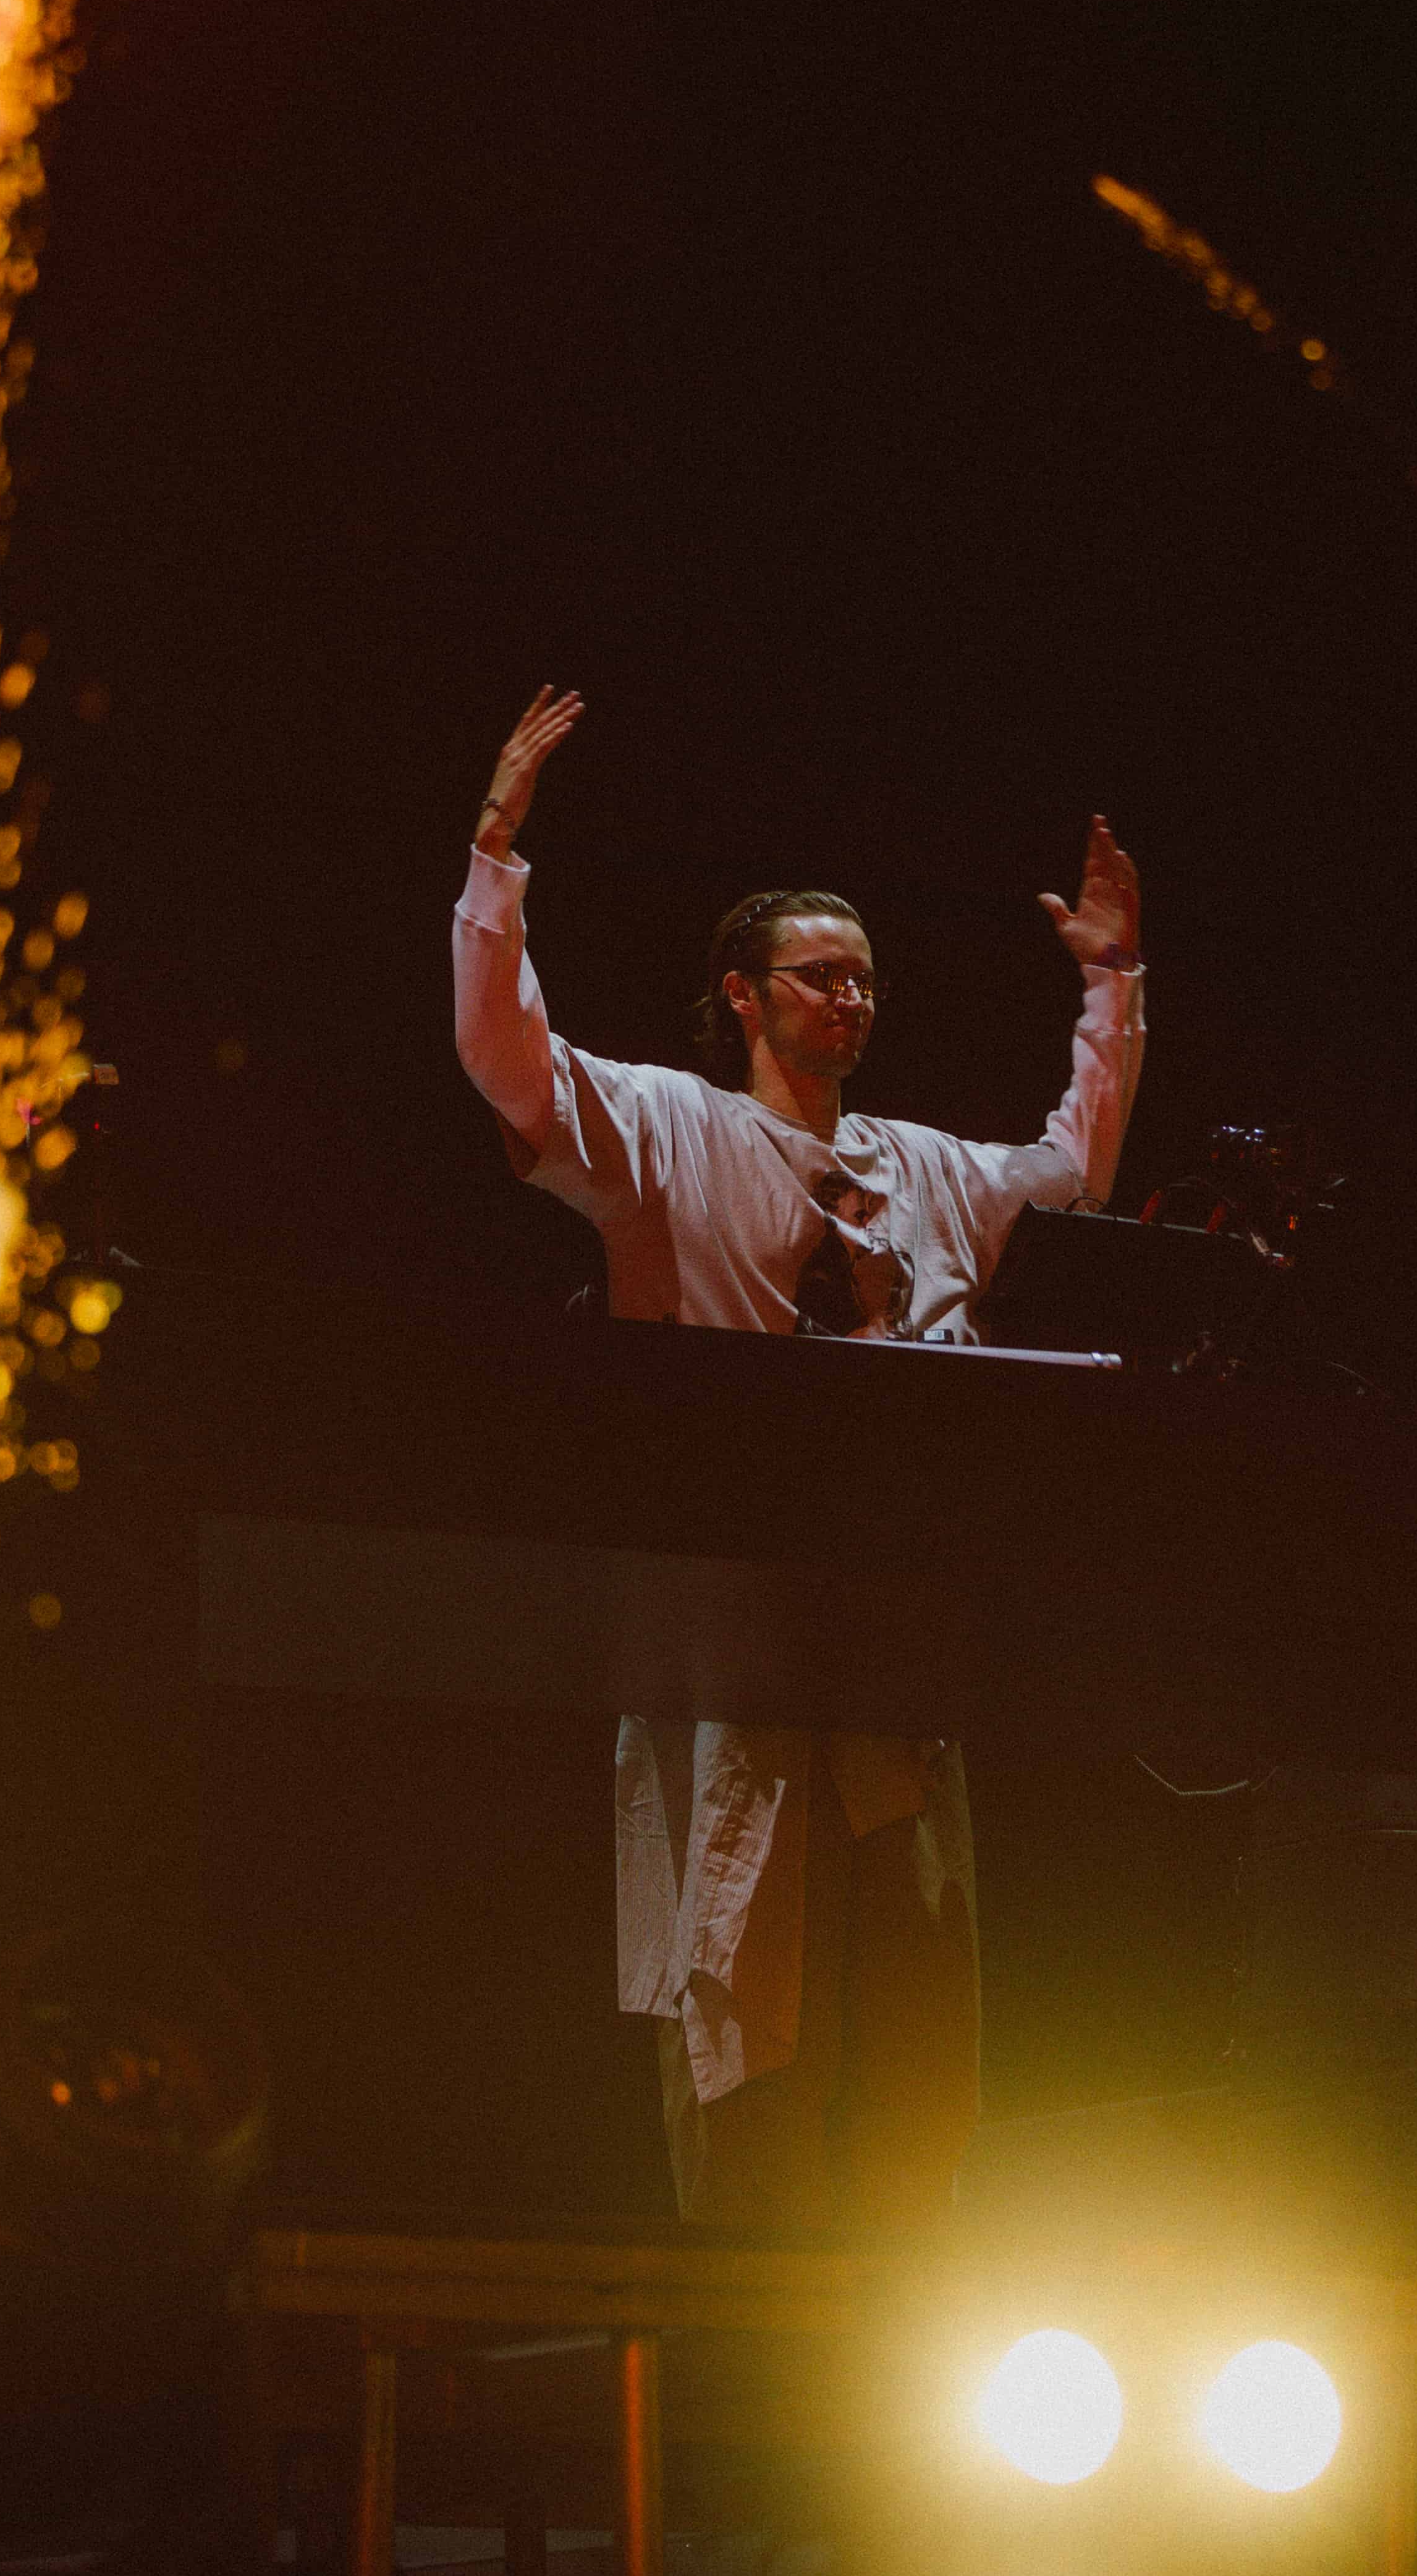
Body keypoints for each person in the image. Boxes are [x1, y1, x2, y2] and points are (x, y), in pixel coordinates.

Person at [449, 683, 1146, 2234]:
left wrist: (1114, 982)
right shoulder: (669, 1132)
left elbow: (1074, 1169)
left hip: (902, 1652)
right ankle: (733, 2333)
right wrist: (497, 852)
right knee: (742, 2002)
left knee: (916, 2031)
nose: (851, 1000)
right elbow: (508, 1058)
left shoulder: (926, 1172)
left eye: (864, 980)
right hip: (736, 1649)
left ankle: (904, 2326)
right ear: (743, 996)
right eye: (819, 977)